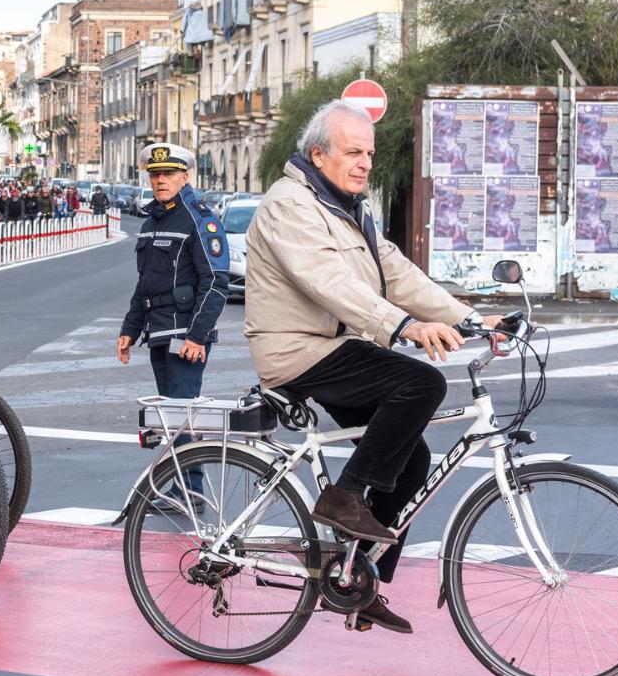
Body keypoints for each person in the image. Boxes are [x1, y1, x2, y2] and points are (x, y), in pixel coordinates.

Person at [243, 101, 502, 635]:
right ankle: (343, 497)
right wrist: (404, 327)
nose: (364, 163)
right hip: (297, 349)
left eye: (369, 153)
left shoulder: (351, 206)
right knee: (421, 382)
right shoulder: (290, 204)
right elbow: (327, 282)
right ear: (318, 154)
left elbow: (397, 274)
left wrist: (470, 318)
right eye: (353, 152)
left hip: (333, 345)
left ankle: (356, 578)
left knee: (411, 459)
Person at [117, 143, 228, 403]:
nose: (160, 180)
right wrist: (130, 329)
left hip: (185, 334)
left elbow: (215, 282)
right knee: (169, 414)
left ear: (184, 177)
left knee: (181, 413)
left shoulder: (200, 220)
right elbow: (145, 282)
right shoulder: (151, 222)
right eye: (155, 174)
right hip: (158, 331)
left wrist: (197, 336)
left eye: (168, 173)